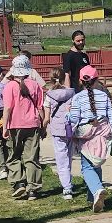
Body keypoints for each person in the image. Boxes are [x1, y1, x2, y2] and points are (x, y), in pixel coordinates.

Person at [65, 66, 112, 212]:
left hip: (86, 137)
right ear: (96, 80)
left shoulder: (77, 98)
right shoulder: (104, 96)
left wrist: (67, 115)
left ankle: (97, 190)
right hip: (102, 135)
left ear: (81, 81)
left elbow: (74, 119)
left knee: (87, 167)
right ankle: (92, 197)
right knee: (96, 165)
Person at [1, 57, 48, 200]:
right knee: (32, 157)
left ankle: (19, 183)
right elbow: (40, 107)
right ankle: (33, 189)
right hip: (32, 124)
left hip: (15, 125)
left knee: (13, 155)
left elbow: (7, 108)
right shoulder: (35, 85)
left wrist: (4, 127)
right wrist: (43, 126)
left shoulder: (9, 86)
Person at [43, 68, 78, 200]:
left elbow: (46, 117)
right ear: (64, 78)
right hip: (70, 129)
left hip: (57, 130)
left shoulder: (49, 95)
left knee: (61, 158)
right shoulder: (72, 93)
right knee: (69, 157)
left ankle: (67, 187)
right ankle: (68, 181)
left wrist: (43, 128)